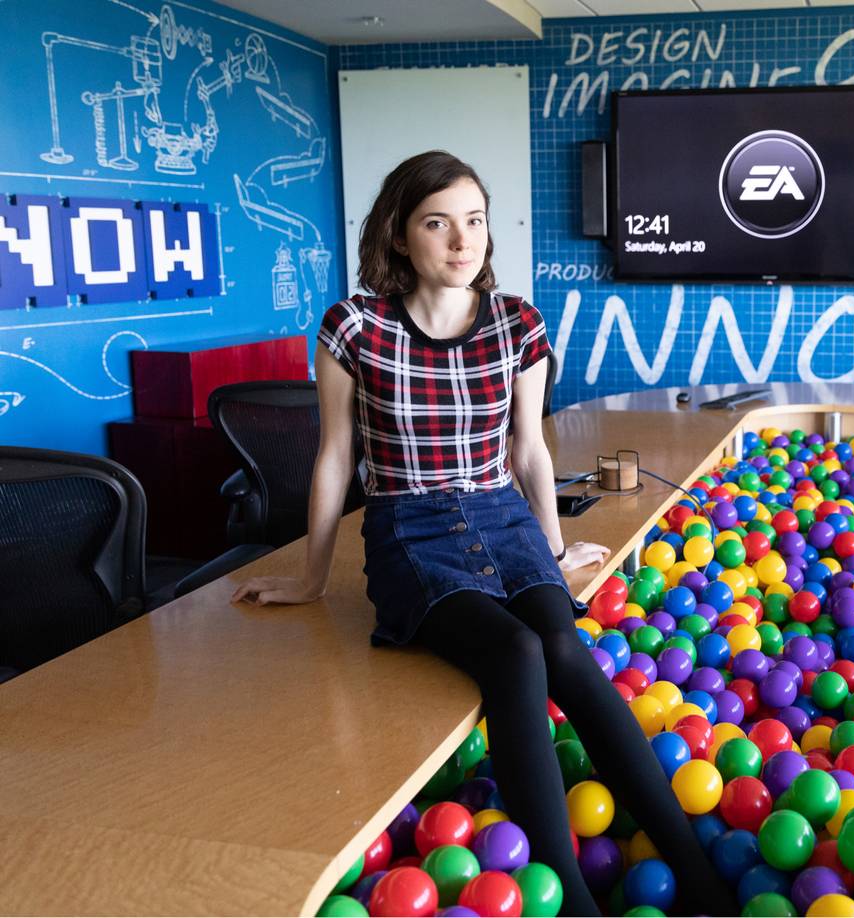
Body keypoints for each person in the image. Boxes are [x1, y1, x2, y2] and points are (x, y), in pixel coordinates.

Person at [230, 151, 737, 917]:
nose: (462, 239)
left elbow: (529, 451)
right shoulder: (354, 328)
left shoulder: (516, 323)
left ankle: (699, 878)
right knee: (516, 650)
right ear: (399, 236)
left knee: (560, 642)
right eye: (438, 223)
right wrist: (311, 579)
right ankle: (571, 902)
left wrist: (554, 552)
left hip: (502, 516)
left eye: (474, 220)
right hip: (409, 528)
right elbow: (334, 458)